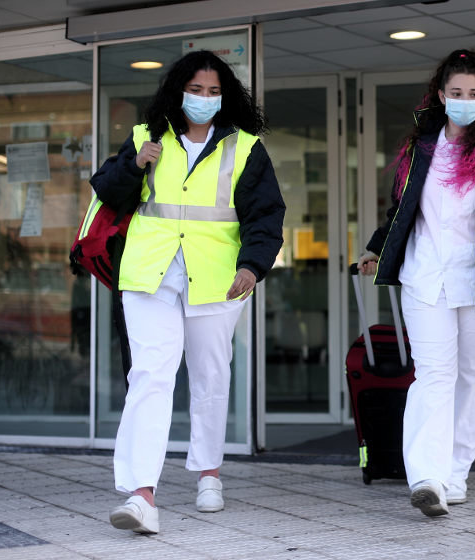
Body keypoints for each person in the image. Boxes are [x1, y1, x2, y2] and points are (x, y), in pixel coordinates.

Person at [90, 50, 285, 534]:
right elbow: (106, 192)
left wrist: (252, 267)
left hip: (217, 278)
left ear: (226, 96)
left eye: (213, 91)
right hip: (149, 275)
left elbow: (266, 217)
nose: (203, 98)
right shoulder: (145, 137)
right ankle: (140, 494)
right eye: (195, 89)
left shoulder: (245, 148)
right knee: (150, 376)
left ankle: (209, 472)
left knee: (210, 375)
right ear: (178, 91)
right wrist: (135, 166)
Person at [358, 49, 475, 517]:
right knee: (433, 375)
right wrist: (376, 246)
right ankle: (426, 477)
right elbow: (402, 213)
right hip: (426, 277)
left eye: (474, 94)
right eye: (457, 93)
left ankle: (455, 472)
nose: (465, 101)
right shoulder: (418, 151)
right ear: (441, 96)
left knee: (474, 377)